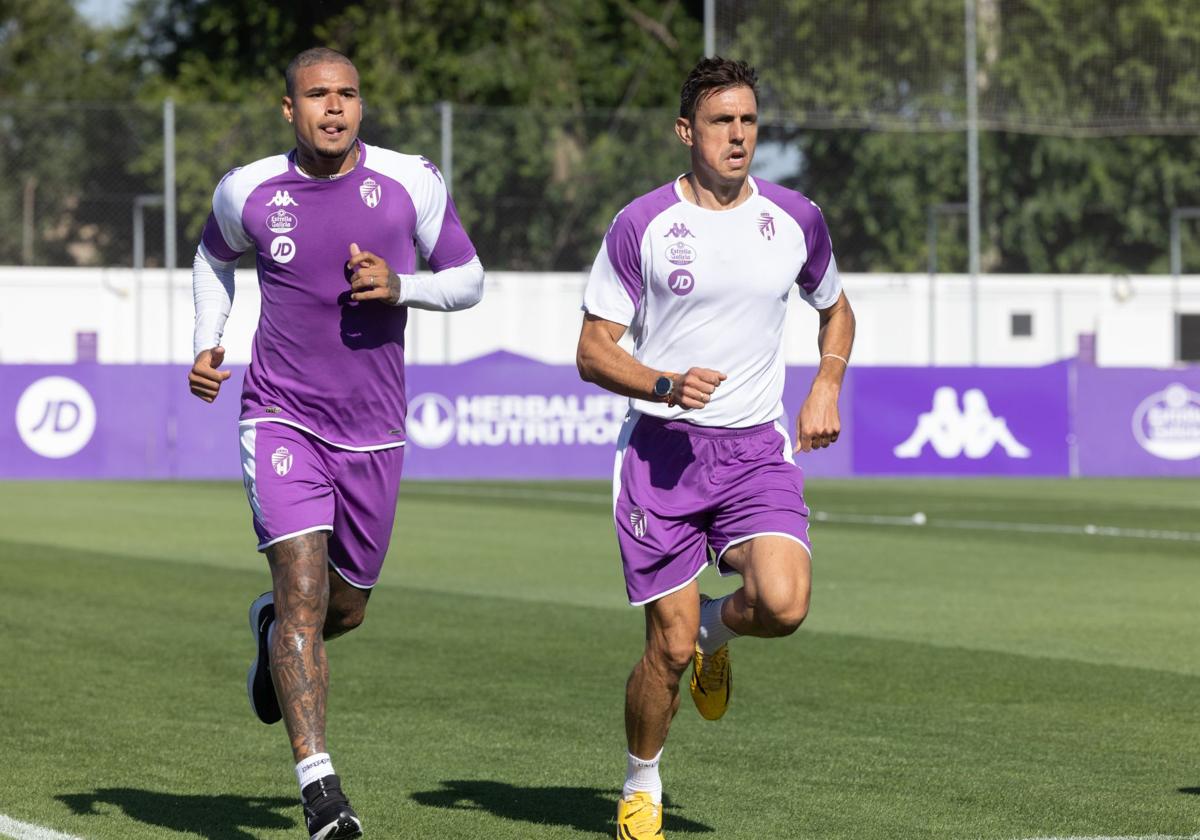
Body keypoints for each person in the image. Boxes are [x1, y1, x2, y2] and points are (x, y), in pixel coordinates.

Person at [187, 47, 483, 840]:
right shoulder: (248, 190)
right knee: (305, 596)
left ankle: (268, 628)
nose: (335, 108)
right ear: (290, 109)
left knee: (341, 611)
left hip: (375, 431)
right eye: (318, 95)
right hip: (280, 415)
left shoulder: (409, 181)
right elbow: (212, 258)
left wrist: (401, 284)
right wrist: (206, 340)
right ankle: (322, 795)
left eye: (347, 94)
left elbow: (469, 277)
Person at [576, 56, 855, 839]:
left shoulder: (796, 217)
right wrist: (663, 385)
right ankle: (642, 781)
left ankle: (714, 629)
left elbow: (837, 312)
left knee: (785, 603)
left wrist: (827, 383)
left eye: (749, 121)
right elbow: (593, 350)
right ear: (685, 131)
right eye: (721, 121)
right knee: (662, 650)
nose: (738, 135)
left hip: (755, 453)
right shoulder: (643, 225)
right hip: (662, 458)